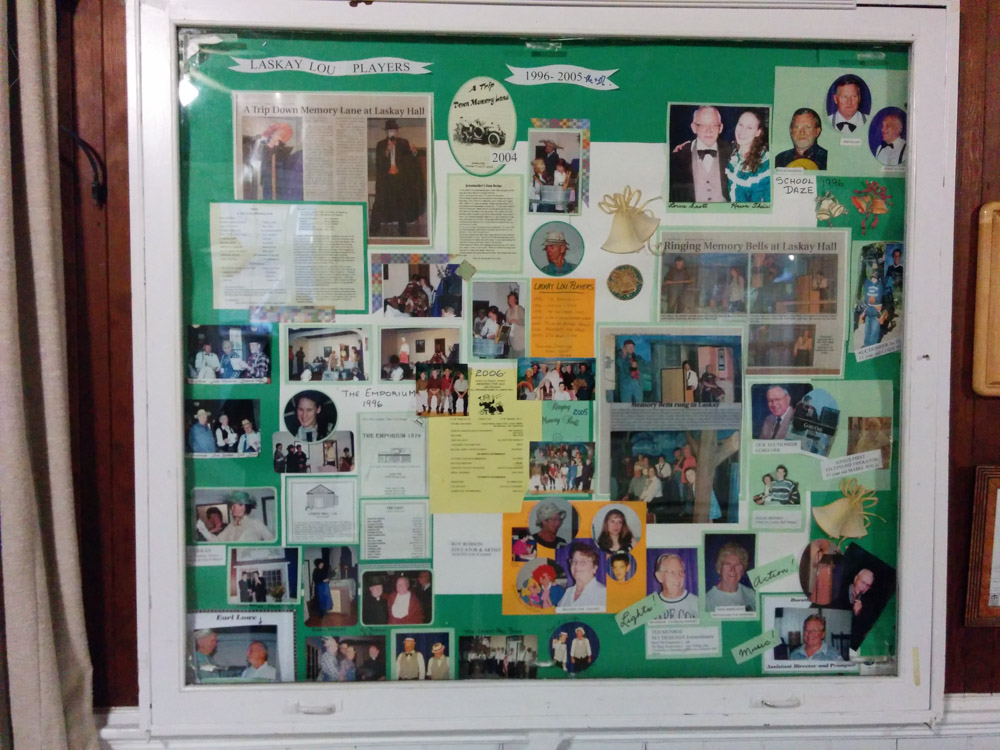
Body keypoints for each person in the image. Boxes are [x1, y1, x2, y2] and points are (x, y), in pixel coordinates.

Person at [369, 119, 423, 237]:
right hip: (386, 180)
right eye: (389, 131)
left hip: (399, 179)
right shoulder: (380, 144)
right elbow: (379, 162)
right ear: (386, 132)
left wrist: (414, 152)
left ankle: (403, 231)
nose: (392, 133)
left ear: (397, 132)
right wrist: (387, 151)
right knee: (379, 202)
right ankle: (373, 230)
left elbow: (411, 158)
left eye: (394, 131)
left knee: (402, 204)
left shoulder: (404, 143)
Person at [669, 106, 732, 203]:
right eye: (702, 125)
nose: (709, 130)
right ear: (694, 128)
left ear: (720, 128)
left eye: (714, 125)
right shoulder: (678, 157)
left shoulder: (732, 153)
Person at [725, 108, 771, 202]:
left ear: (758, 132)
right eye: (740, 125)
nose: (742, 131)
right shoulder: (731, 154)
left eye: (749, 128)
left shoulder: (766, 164)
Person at [195, 491, 274, 542]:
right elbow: (218, 541)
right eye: (231, 506)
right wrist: (203, 529)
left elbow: (271, 539)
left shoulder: (255, 522)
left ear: (243, 506)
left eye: (233, 506)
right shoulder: (232, 525)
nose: (231, 509)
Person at [705, 542, 756, 612]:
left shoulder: (751, 594)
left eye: (737, 565)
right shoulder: (707, 601)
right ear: (719, 569)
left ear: (742, 570)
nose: (732, 569)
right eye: (728, 564)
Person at [557, 542, 606, 611]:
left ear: (594, 568)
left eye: (583, 562)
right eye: (574, 561)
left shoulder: (603, 594)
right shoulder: (567, 593)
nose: (577, 565)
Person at [653, 553, 699, 621]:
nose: (678, 577)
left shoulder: (697, 603)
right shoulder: (649, 607)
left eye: (681, 572)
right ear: (659, 577)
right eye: (672, 572)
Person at [859, 271, 887, 347]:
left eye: (875, 278)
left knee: (874, 331)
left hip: (876, 314)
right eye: (872, 278)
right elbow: (866, 281)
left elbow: (881, 285)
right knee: (867, 331)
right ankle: (866, 344)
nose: (873, 280)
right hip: (868, 313)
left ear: (878, 279)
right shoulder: (868, 285)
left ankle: (872, 346)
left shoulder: (880, 286)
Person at [616, 339, 646, 403]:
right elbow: (622, 368)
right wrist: (624, 356)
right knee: (626, 404)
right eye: (629, 347)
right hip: (626, 385)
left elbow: (644, 366)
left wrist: (637, 366)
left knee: (639, 403)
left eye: (632, 347)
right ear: (624, 348)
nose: (631, 348)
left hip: (637, 384)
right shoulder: (620, 358)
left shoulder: (638, 358)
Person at [505, 291, 526, 358]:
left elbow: (526, 322)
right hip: (512, 338)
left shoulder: (519, 308)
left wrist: (516, 321)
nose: (510, 300)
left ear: (516, 300)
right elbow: (507, 324)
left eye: (512, 298)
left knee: (520, 358)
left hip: (520, 338)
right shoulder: (508, 310)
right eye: (509, 298)